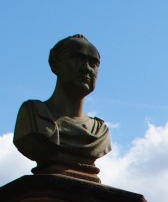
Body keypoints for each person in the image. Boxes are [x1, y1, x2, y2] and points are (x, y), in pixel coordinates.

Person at [14, 35, 111, 177]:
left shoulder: (100, 132)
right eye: (77, 58)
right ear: (55, 64)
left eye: (93, 63)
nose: (86, 68)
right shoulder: (33, 116)